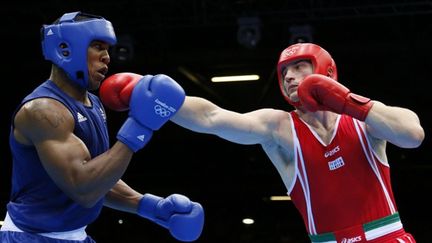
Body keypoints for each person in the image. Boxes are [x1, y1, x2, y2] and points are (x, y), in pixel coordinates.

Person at [105, 43, 425, 242]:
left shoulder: (365, 120)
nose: (289, 76)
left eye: (300, 67)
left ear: (327, 72)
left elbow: (412, 135)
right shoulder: (279, 126)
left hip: (388, 237)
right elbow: (213, 118)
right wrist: (153, 95)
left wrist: (349, 102)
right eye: (285, 71)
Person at [0, 11, 204, 243]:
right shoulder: (43, 111)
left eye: (107, 48)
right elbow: (83, 189)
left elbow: (98, 177)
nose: (107, 57)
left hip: (77, 236)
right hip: (30, 237)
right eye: (97, 46)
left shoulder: (94, 104)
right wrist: (140, 126)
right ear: (65, 49)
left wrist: (150, 206)